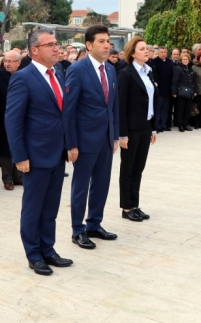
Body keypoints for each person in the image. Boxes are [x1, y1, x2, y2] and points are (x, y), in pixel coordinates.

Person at [6, 28, 72, 276]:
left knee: (50, 207)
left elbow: (63, 114)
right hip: (34, 156)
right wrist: (20, 156)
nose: (57, 48)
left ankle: (48, 249)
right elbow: (13, 120)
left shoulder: (59, 73)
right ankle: (34, 255)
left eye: (56, 44)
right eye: (50, 45)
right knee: (34, 208)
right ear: (35, 50)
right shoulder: (23, 77)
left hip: (57, 153)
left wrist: (70, 144)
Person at [64, 25, 119, 250]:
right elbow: (69, 110)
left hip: (106, 139)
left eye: (108, 41)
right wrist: (72, 143)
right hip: (84, 141)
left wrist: (114, 135)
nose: (107, 45)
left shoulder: (111, 70)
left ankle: (94, 224)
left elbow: (113, 106)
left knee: (102, 184)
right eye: (102, 41)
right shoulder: (77, 70)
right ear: (89, 45)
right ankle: (78, 230)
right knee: (81, 185)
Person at [117, 37, 158, 222]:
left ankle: (135, 204)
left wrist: (154, 128)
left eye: (147, 48)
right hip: (131, 129)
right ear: (133, 53)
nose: (146, 51)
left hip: (145, 127)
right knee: (128, 168)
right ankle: (126, 207)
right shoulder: (126, 74)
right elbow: (121, 105)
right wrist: (122, 133)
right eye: (142, 49)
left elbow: (152, 102)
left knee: (138, 168)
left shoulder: (148, 72)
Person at [0, 51, 24, 191]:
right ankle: (7, 179)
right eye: (5, 61)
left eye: (10, 61)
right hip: (3, 118)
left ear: (18, 62)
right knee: (5, 150)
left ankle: (19, 177)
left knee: (20, 147)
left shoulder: (24, 75)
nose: (7, 64)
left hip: (23, 118)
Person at [171, 51, 197, 132]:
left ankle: (186, 125)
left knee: (187, 110)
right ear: (181, 60)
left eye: (186, 59)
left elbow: (194, 81)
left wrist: (195, 90)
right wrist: (174, 92)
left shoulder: (190, 69)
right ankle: (180, 126)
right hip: (181, 93)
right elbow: (174, 81)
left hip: (189, 93)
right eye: (184, 59)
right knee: (180, 110)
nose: (185, 60)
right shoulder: (178, 69)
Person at [153, 46, 174, 132]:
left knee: (165, 109)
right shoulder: (155, 62)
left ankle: (163, 125)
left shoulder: (170, 62)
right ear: (158, 53)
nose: (163, 54)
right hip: (159, 90)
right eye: (161, 52)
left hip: (167, 89)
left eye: (165, 52)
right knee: (158, 109)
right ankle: (157, 126)